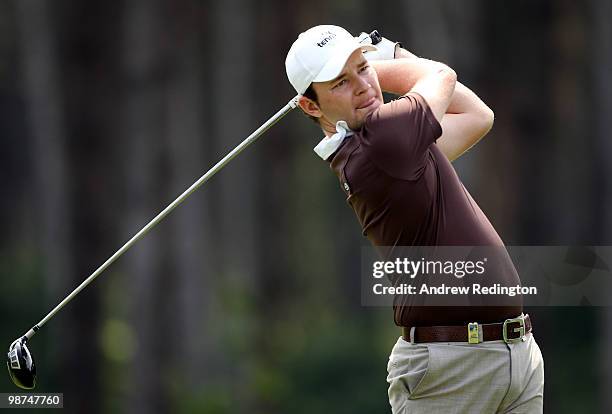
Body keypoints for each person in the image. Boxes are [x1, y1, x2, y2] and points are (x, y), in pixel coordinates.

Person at [285, 25, 544, 413]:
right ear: (310, 106)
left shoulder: (387, 148)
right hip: (451, 370)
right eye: (340, 82)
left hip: (513, 355)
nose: (362, 86)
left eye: (361, 69)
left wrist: (368, 63)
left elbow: (476, 115)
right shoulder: (383, 140)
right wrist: (381, 57)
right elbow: (441, 76)